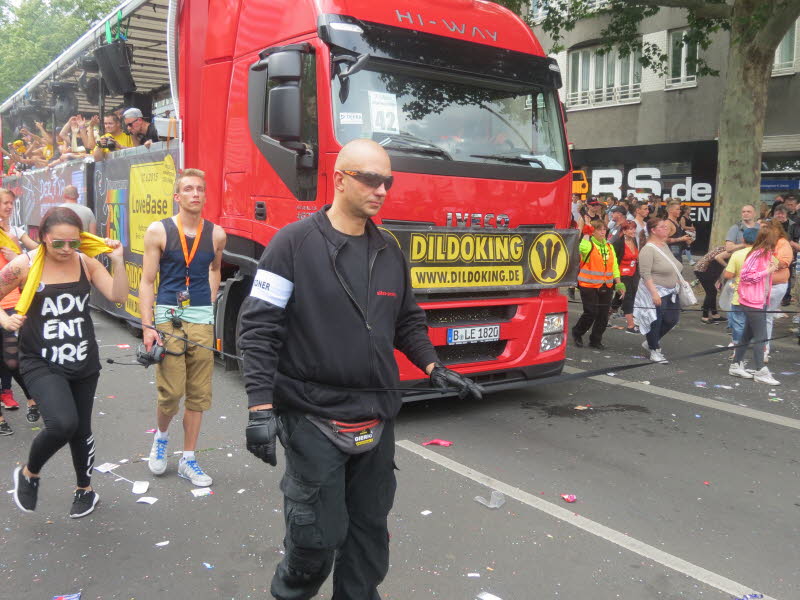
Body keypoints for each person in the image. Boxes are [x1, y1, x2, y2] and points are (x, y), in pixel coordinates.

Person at [238, 139, 482, 600]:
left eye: (387, 181)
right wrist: (259, 407)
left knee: (368, 541)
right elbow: (258, 329)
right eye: (371, 179)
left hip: (376, 414)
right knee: (315, 542)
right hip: (312, 414)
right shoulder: (292, 243)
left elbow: (406, 320)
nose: (381, 190)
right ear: (341, 179)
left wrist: (432, 366)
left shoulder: (389, 248)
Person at [1, 207, 125, 517]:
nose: (67, 250)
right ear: (43, 238)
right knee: (63, 424)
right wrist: (5, 320)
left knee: (81, 428)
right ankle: (29, 473)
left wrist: (119, 261)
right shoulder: (25, 265)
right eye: (59, 243)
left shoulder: (86, 263)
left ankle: (85, 489)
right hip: (40, 360)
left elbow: (118, 295)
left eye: (74, 243)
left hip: (83, 360)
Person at [139, 169, 226, 487]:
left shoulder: (216, 234)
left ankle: (189, 458)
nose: (195, 194)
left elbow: (215, 269)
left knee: (199, 393)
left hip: (201, 317)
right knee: (172, 391)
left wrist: (210, 302)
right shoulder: (158, 231)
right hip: (168, 316)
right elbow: (147, 282)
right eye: (188, 189)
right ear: (177, 196)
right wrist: (148, 325)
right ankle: (161, 438)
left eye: (200, 189)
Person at [0, 188, 39, 422]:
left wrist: (17, 252)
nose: (7, 207)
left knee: (12, 360)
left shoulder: (14, 232)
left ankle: (32, 398)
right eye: (3, 203)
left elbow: (40, 254)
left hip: (13, 302)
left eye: (10, 204)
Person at [727, 226, 781, 385]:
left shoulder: (765, 254)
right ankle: (760, 371)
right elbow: (746, 277)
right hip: (752, 301)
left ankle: (736, 365)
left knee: (747, 335)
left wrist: (771, 267)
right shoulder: (756, 255)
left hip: (758, 300)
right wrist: (768, 271)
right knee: (761, 337)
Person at [635, 217, 684, 363]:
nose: (666, 229)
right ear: (653, 230)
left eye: (666, 227)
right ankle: (654, 349)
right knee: (655, 321)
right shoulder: (648, 249)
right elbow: (645, 273)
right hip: (656, 290)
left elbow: (672, 265)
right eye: (662, 227)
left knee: (672, 320)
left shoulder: (663, 245)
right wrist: (654, 293)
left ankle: (651, 342)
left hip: (671, 290)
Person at [572, 220, 624, 350]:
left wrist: (619, 284)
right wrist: (585, 233)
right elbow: (581, 248)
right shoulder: (588, 245)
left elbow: (615, 267)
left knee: (603, 314)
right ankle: (577, 332)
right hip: (588, 285)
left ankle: (595, 340)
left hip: (606, 285)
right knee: (591, 313)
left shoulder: (609, 246)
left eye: (604, 229)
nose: (603, 232)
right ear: (593, 232)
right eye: (599, 230)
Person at [723, 227, 759, 352]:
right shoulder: (764, 254)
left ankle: (738, 346)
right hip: (757, 297)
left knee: (738, 323)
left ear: (743, 239)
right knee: (754, 322)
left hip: (740, 295)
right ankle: (754, 343)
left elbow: (728, 275)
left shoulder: (737, 255)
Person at [763, 219, 792, 362]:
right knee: (757, 316)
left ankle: (764, 347)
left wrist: (766, 260)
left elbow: (784, 262)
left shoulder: (783, 243)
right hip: (759, 283)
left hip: (776, 284)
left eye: (766, 228)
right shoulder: (763, 241)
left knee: (766, 316)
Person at [612, 220, 640, 333]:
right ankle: (630, 325)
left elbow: (635, 258)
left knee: (619, 298)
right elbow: (614, 262)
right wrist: (616, 280)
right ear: (623, 231)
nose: (633, 231)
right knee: (628, 298)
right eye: (630, 229)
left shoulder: (634, 240)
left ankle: (604, 317)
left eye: (634, 228)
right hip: (622, 275)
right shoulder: (618, 243)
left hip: (633, 274)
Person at [692, 245, 729, 324]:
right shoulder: (731, 250)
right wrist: (728, 267)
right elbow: (718, 258)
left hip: (703, 269)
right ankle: (705, 317)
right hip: (703, 270)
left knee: (712, 292)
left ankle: (715, 315)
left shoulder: (725, 247)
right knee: (711, 292)